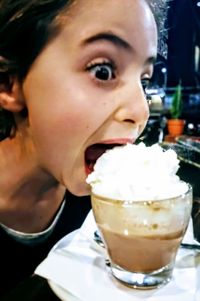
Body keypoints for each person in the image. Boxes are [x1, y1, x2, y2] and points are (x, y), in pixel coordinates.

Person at [0, 0, 167, 297]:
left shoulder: (106, 212)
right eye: (103, 71)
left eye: (144, 80)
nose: (141, 111)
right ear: (9, 84)